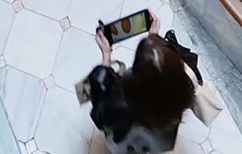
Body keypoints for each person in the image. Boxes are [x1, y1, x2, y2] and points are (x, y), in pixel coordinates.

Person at [79, 12, 221, 153]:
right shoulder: (184, 88)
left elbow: (98, 115)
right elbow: (161, 74)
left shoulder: (118, 101)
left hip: (123, 143)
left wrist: (106, 58)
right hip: (160, 143)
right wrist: (156, 41)